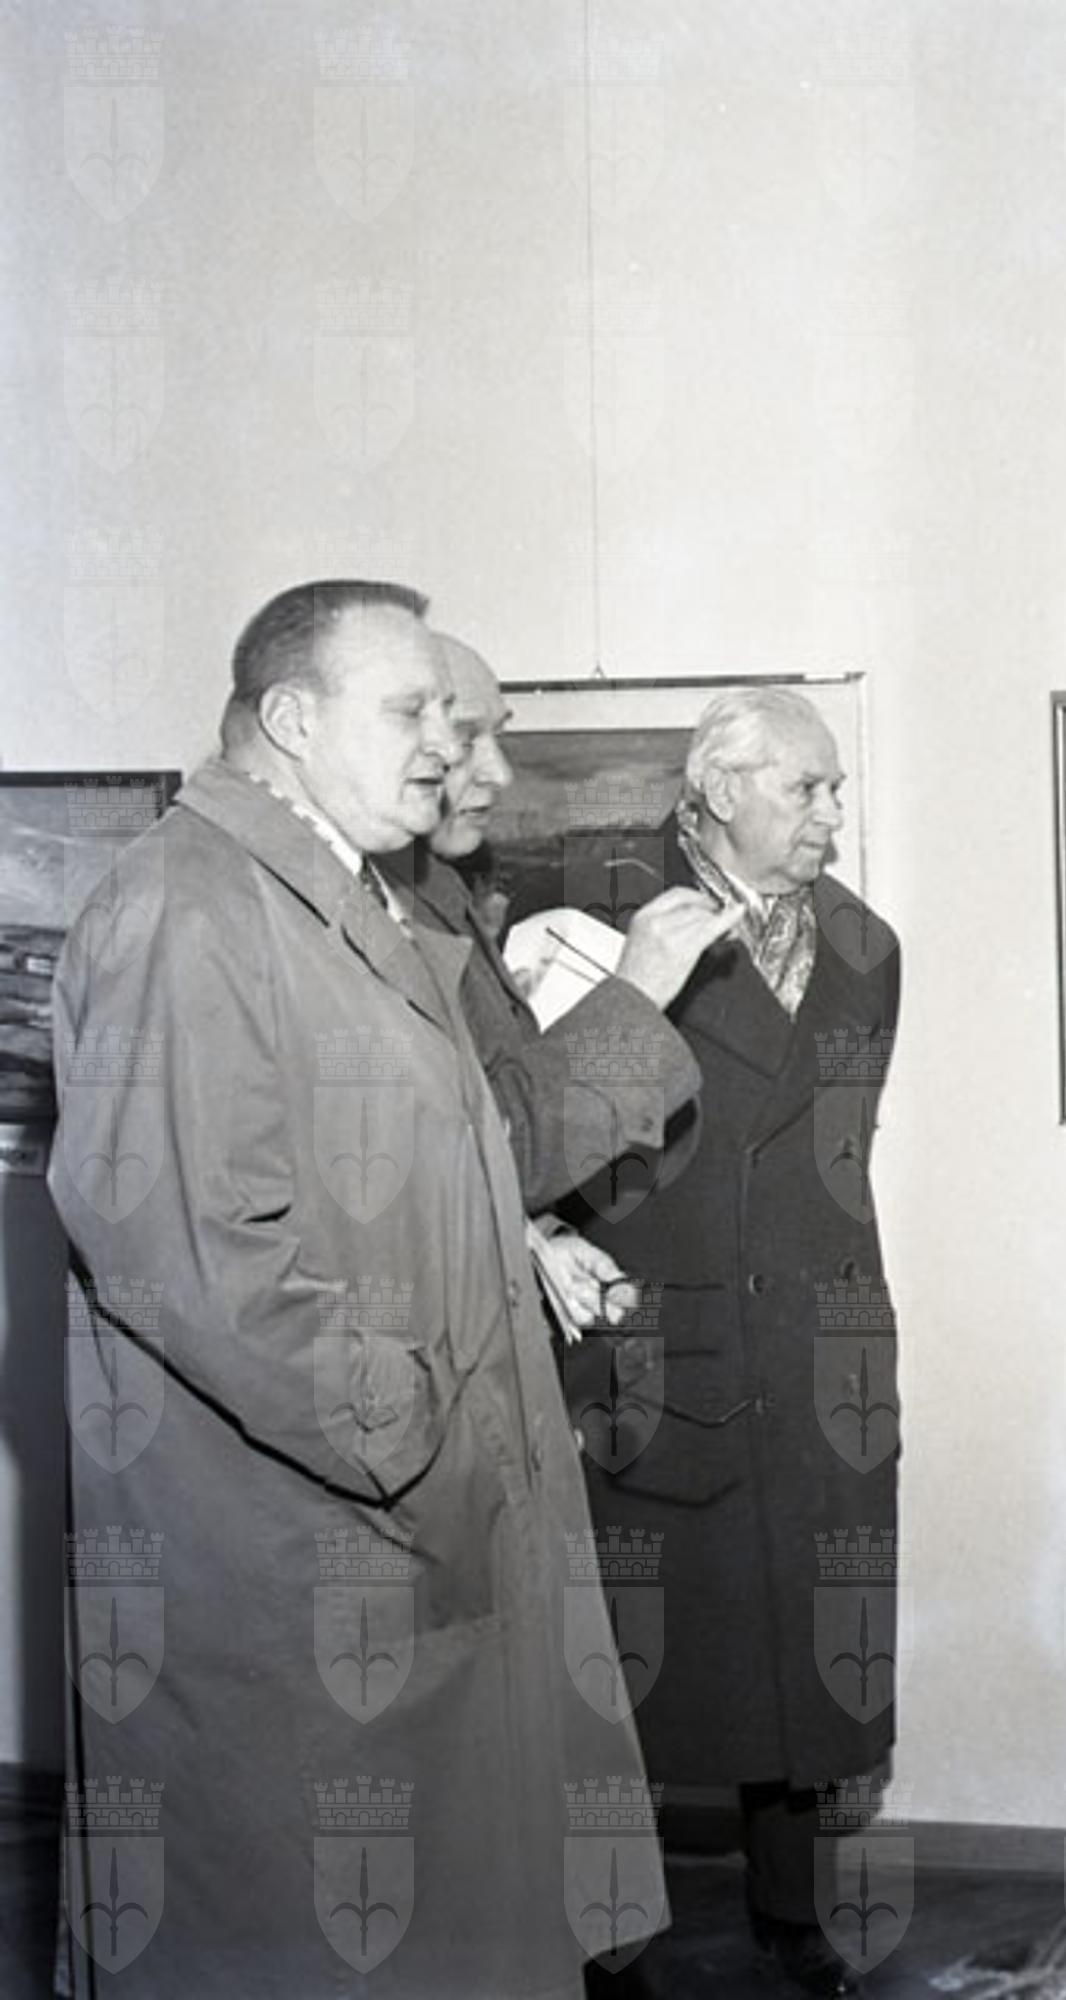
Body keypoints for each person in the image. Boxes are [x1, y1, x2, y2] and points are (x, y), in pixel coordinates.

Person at [48, 581, 662, 1997]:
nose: (445, 742)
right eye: (410, 710)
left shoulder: (341, 896)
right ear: (289, 719)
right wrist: (414, 1430)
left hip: (396, 1528)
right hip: (316, 1536)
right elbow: (188, 1246)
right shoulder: (187, 908)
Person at [577, 689, 902, 1999]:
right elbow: (558, 1138)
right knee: (636, 1665)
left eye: (834, 789)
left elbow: (833, 1159)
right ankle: (606, 1935)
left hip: (817, 1346)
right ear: (718, 791)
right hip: (667, 1343)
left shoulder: (866, 947)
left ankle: (791, 1913)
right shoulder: (606, 924)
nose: (832, 813)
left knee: (805, 1654)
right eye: (805, 787)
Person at [385, 634, 737, 1325]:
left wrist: (538, 1237)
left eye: (499, 736)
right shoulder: (370, 912)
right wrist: (636, 991)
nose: (499, 772)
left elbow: (468, 1141)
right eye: (465, 738)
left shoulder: (437, 891)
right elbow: (480, 1158)